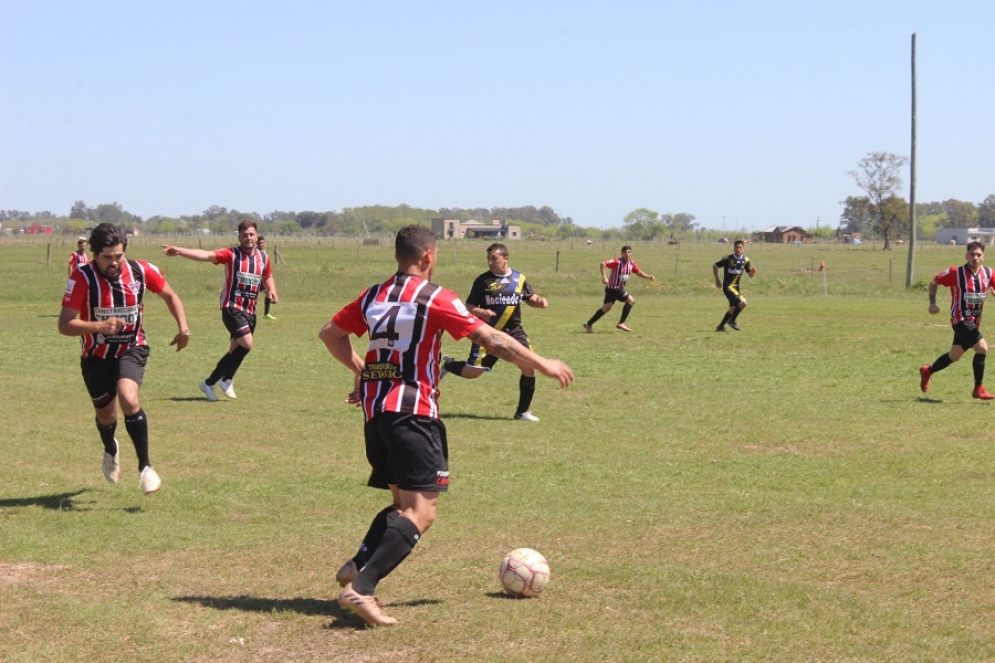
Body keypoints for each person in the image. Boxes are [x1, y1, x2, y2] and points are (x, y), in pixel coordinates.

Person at [318, 225, 573, 626]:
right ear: (429, 257)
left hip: (376, 414)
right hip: (414, 413)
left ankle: (358, 564)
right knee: (422, 510)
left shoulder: (373, 295)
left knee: (402, 505)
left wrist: (363, 371)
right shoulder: (435, 297)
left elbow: (330, 334)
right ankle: (361, 587)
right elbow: (494, 341)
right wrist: (543, 363)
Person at [58, 223, 190, 494]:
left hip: (132, 347)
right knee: (106, 417)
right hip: (95, 357)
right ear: (95, 255)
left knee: (128, 397)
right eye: (107, 257)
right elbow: (65, 324)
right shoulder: (82, 278)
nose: (113, 262)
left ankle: (145, 468)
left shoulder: (141, 271)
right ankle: (110, 449)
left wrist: (183, 329)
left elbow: (170, 295)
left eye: (118, 256)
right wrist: (99, 327)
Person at [162, 219, 277, 401]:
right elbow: (205, 255)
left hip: (250, 311)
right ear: (239, 236)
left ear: (256, 236)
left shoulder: (263, 258)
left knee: (235, 351)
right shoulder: (231, 255)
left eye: (251, 234)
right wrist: (180, 251)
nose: (248, 238)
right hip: (232, 308)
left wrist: (272, 290)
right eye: (244, 235)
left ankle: (208, 383)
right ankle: (227, 379)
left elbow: (267, 276)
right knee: (247, 343)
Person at [440, 243, 549, 422]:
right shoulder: (483, 281)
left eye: (494, 259)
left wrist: (540, 301)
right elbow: (467, 307)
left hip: (514, 333)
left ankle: (522, 412)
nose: (490, 262)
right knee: (472, 373)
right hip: (488, 334)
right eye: (488, 259)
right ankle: (448, 364)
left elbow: (530, 297)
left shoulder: (519, 278)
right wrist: (481, 312)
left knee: (529, 367)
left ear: (506, 258)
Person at [919, 240, 995, 400]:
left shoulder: (989, 274)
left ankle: (928, 370)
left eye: (978, 255)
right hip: (960, 319)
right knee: (982, 348)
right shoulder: (956, 273)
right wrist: (932, 303)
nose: (975, 257)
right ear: (966, 255)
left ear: (983, 257)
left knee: (954, 355)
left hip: (974, 322)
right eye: (972, 254)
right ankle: (978, 388)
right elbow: (935, 282)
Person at [583, 245, 655, 332]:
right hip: (615, 288)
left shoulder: (632, 264)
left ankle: (589, 324)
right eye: (625, 252)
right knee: (631, 301)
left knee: (606, 308)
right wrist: (604, 277)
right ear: (621, 253)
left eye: (628, 252)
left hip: (611, 289)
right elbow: (603, 264)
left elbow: (638, 272)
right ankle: (621, 323)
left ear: (631, 253)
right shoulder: (617, 262)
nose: (627, 254)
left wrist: (648, 277)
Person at [713, 239, 756, 332]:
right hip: (728, 287)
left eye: (740, 247)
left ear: (743, 249)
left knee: (732, 308)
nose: (738, 249)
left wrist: (752, 273)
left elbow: (750, 275)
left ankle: (720, 327)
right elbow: (715, 266)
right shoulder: (727, 259)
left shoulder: (746, 260)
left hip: (736, 288)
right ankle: (732, 320)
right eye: (736, 247)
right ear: (734, 248)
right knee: (743, 302)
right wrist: (717, 280)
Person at [257, 236, 276, 320]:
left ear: (264, 243)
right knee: (254, 297)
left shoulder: (264, 253)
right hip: (255, 279)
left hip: (263, 279)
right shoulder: (254, 252)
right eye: (259, 243)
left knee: (269, 293)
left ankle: (266, 314)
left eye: (262, 243)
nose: (261, 244)